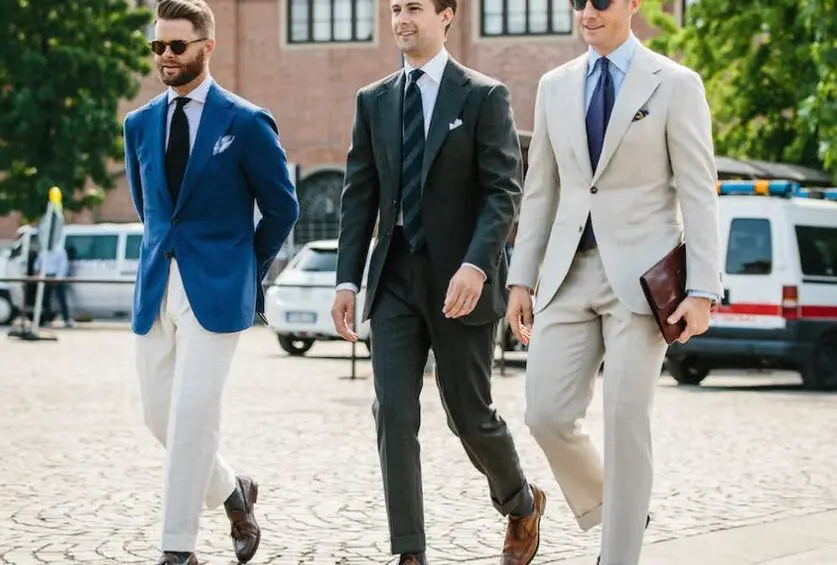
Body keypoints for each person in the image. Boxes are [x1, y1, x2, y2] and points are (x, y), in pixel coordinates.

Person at [505, 1, 723, 564]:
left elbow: (699, 190)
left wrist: (702, 289)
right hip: (565, 274)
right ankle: (617, 501)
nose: (587, 11)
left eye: (600, 1)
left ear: (632, 4)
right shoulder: (555, 86)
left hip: (642, 281)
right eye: (577, 2)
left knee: (627, 419)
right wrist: (520, 278)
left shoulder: (675, 84)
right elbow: (541, 190)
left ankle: (619, 553)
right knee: (544, 415)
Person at [331, 1, 545, 564]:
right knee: (393, 412)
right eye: (395, 8)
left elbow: (504, 191)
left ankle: (520, 502)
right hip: (395, 277)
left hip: (462, 280)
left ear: (448, 14)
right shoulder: (372, 101)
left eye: (415, 8)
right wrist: (346, 280)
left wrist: (478, 264)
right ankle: (409, 551)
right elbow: (359, 197)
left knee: (467, 413)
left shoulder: (482, 96)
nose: (402, 19)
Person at [122, 1, 299, 564]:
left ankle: (177, 550)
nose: (166, 57)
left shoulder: (246, 122)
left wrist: (246, 266)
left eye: (177, 46)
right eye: (157, 47)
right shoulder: (139, 123)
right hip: (156, 289)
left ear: (207, 46)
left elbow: (282, 208)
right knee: (161, 419)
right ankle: (233, 492)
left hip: (218, 290)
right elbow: (149, 208)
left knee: (192, 415)